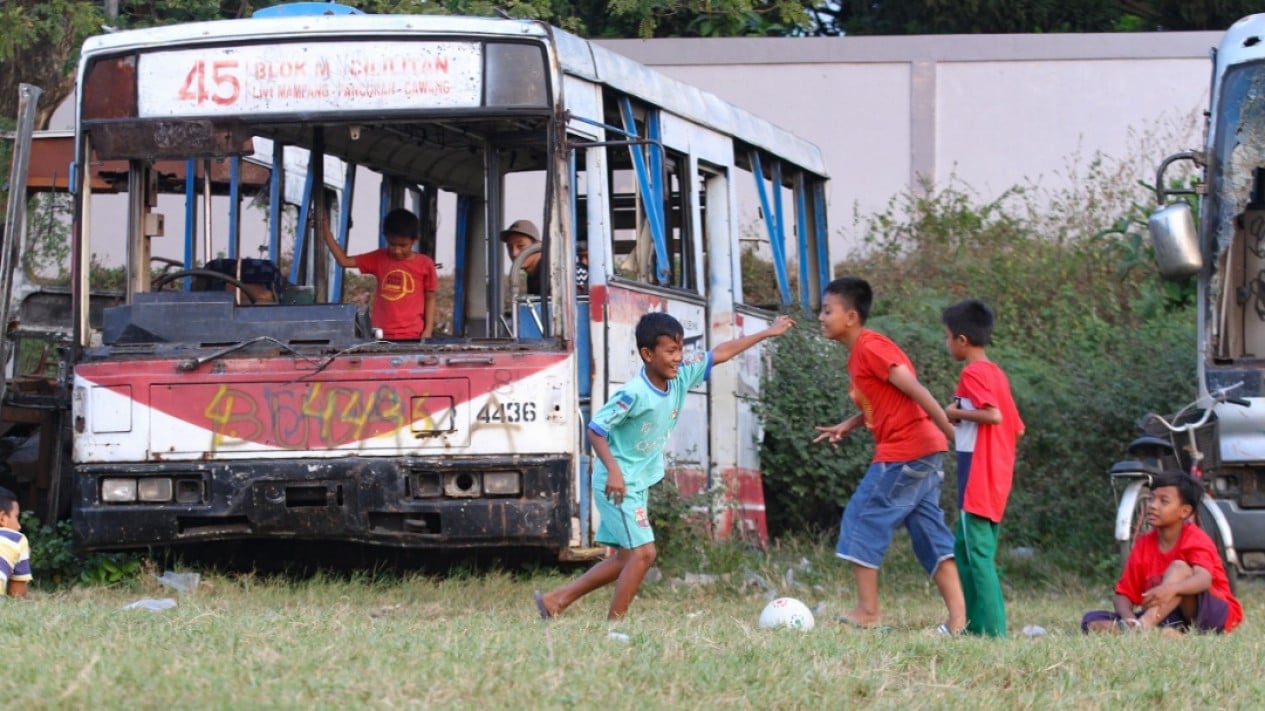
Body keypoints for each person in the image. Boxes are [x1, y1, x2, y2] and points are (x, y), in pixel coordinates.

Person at [534, 311, 795, 621]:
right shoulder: (633, 393)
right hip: (617, 484)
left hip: (637, 482)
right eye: (670, 351)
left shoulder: (682, 375)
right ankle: (612, 628)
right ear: (647, 354)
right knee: (644, 554)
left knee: (625, 558)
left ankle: (556, 601)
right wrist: (615, 472)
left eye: (680, 349)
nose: (678, 358)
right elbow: (596, 429)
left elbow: (720, 353)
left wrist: (766, 333)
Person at [812, 276, 966, 634]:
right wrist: (849, 425)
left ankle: (868, 611)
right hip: (921, 453)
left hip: (907, 453)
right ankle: (959, 621)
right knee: (929, 533)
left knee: (862, 518)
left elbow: (915, 389)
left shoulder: (871, 347)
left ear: (851, 316)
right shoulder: (859, 355)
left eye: (827, 310)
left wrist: (950, 431)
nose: (821, 317)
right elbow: (882, 400)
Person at [942, 299, 1024, 638]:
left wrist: (955, 412)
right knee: (965, 550)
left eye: (947, 336)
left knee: (977, 556)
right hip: (994, 477)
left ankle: (994, 634)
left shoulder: (973, 372)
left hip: (978, 478)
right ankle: (976, 629)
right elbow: (1018, 427)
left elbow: (994, 415)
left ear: (961, 340)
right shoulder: (996, 374)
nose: (945, 343)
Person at [1082, 471, 1242, 635]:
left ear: (1185, 511)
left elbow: (1204, 579)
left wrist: (1171, 588)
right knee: (1091, 620)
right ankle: (1155, 631)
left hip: (1213, 614)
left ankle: (1145, 627)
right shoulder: (1144, 544)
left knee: (1179, 568)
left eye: (1163, 501)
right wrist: (1128, 619)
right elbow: (1123, 594)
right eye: (1151, 499)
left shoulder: (1195, 538)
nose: (1152, 505)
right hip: (1167, 614)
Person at [320, 209, 438, 340]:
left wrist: (428, 331)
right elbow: (344, 261)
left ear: (415, 240)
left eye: (403, 245)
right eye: (392, 244)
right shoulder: (379, 258)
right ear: (386, 237)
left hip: (413, 335)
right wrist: (325, 231)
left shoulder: (425, 264)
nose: (397, 250)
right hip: (381, 334)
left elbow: (430, 298)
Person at [0, 487, 31, 598]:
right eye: (16, 517)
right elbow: (17, 595)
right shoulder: (16, 539)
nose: (19, 526)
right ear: (2, 518)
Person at [501, 219, 543, 297]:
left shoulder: (550, 273)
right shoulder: (532, 275)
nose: (514, 253)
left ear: (537, 246)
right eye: (510, 247)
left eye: (521, 246)